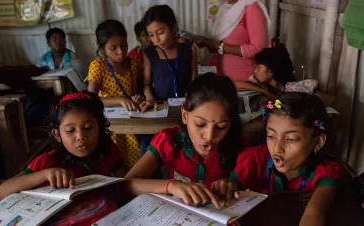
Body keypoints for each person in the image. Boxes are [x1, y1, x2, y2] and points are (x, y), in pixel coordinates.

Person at [217, 93, 347, 226]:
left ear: (318, 141)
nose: (277, 148)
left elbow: (314, 212)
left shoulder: (325, 174)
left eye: (291, 139)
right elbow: (229, 190)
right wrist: (226, 186)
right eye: (271, 135)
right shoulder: (253, 160)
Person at [125, 73, 242, 208]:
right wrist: (172, 186)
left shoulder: (238, 148)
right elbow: (127, 184)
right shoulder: (169, 141)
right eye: (200, 124)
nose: (209, 136)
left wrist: (230, 185)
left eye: (221, 127)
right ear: (185, 116)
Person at [0, 92, 127, 201]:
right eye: (70, 130)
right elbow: (1, 192)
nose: (80, 136)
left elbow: (122, 175)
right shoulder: (49, 162)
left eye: (88, 127)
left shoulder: (108, 149)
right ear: (57, 134)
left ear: (100, 127)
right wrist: (45, 174)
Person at [200, 0, 270, 81]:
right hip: (225, 83)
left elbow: (258, 48)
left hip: (246, 85)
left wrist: (220, 47)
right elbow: (221, 45)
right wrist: (208, 43)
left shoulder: (250, 5)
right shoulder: (225, 8)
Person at [88, 19, 143, 168]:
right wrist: (119, 100)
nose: (120, 51)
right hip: (111, 124)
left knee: (136, 160)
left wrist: (139, 97)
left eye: (124, 45)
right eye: (113, 48)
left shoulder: (133, 63)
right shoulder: (98, 66)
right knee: (115, 162)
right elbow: (90, 99)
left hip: (132, 120)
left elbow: (139, 90)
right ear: (102, 48)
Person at [233, 39, 335, 106]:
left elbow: (330, 100)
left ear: (271, 71)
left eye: (259, 67)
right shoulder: (257, 83)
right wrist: (265, 92)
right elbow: (235, 83)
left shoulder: (293, 89)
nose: (255, 70)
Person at [140, 5, 198, 112]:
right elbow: (147, 84)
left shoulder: (189, 50)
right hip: (160, 105)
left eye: (160, 33)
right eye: (151, 35)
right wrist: (150, 98)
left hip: (186, 104)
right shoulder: (150, 53)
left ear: (174, 28)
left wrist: (191, 98)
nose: (156, 39)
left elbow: (195, 82)